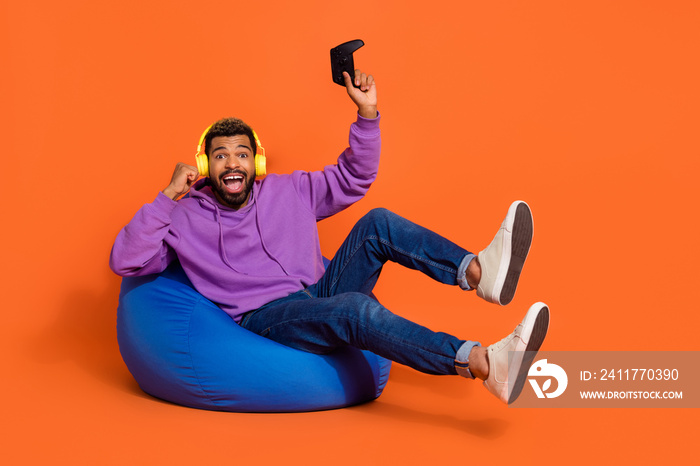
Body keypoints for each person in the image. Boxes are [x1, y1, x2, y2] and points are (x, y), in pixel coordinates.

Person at [110, 69, 549, 405]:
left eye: (242, 153)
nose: (232, 163)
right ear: (206, 166)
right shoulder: (183, 217)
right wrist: (168, 196)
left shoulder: (288, 190)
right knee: (357, 310)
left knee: (377, 223)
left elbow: (354, 178)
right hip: (266, 316)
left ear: (256, 163)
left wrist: (367, 113)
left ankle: (478, 272)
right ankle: (483, 363)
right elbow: (126, 261)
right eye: (220, 155)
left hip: (316, 292)